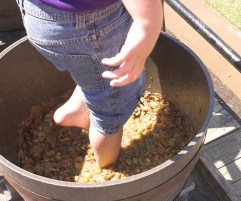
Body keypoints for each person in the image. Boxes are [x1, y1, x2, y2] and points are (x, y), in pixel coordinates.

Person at [17, 0, 163, 168]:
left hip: (38, 13)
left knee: (94, 72)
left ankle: (76, 112)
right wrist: (148, 24)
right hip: (89, 24)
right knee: (113, 103)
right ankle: (107, 165)